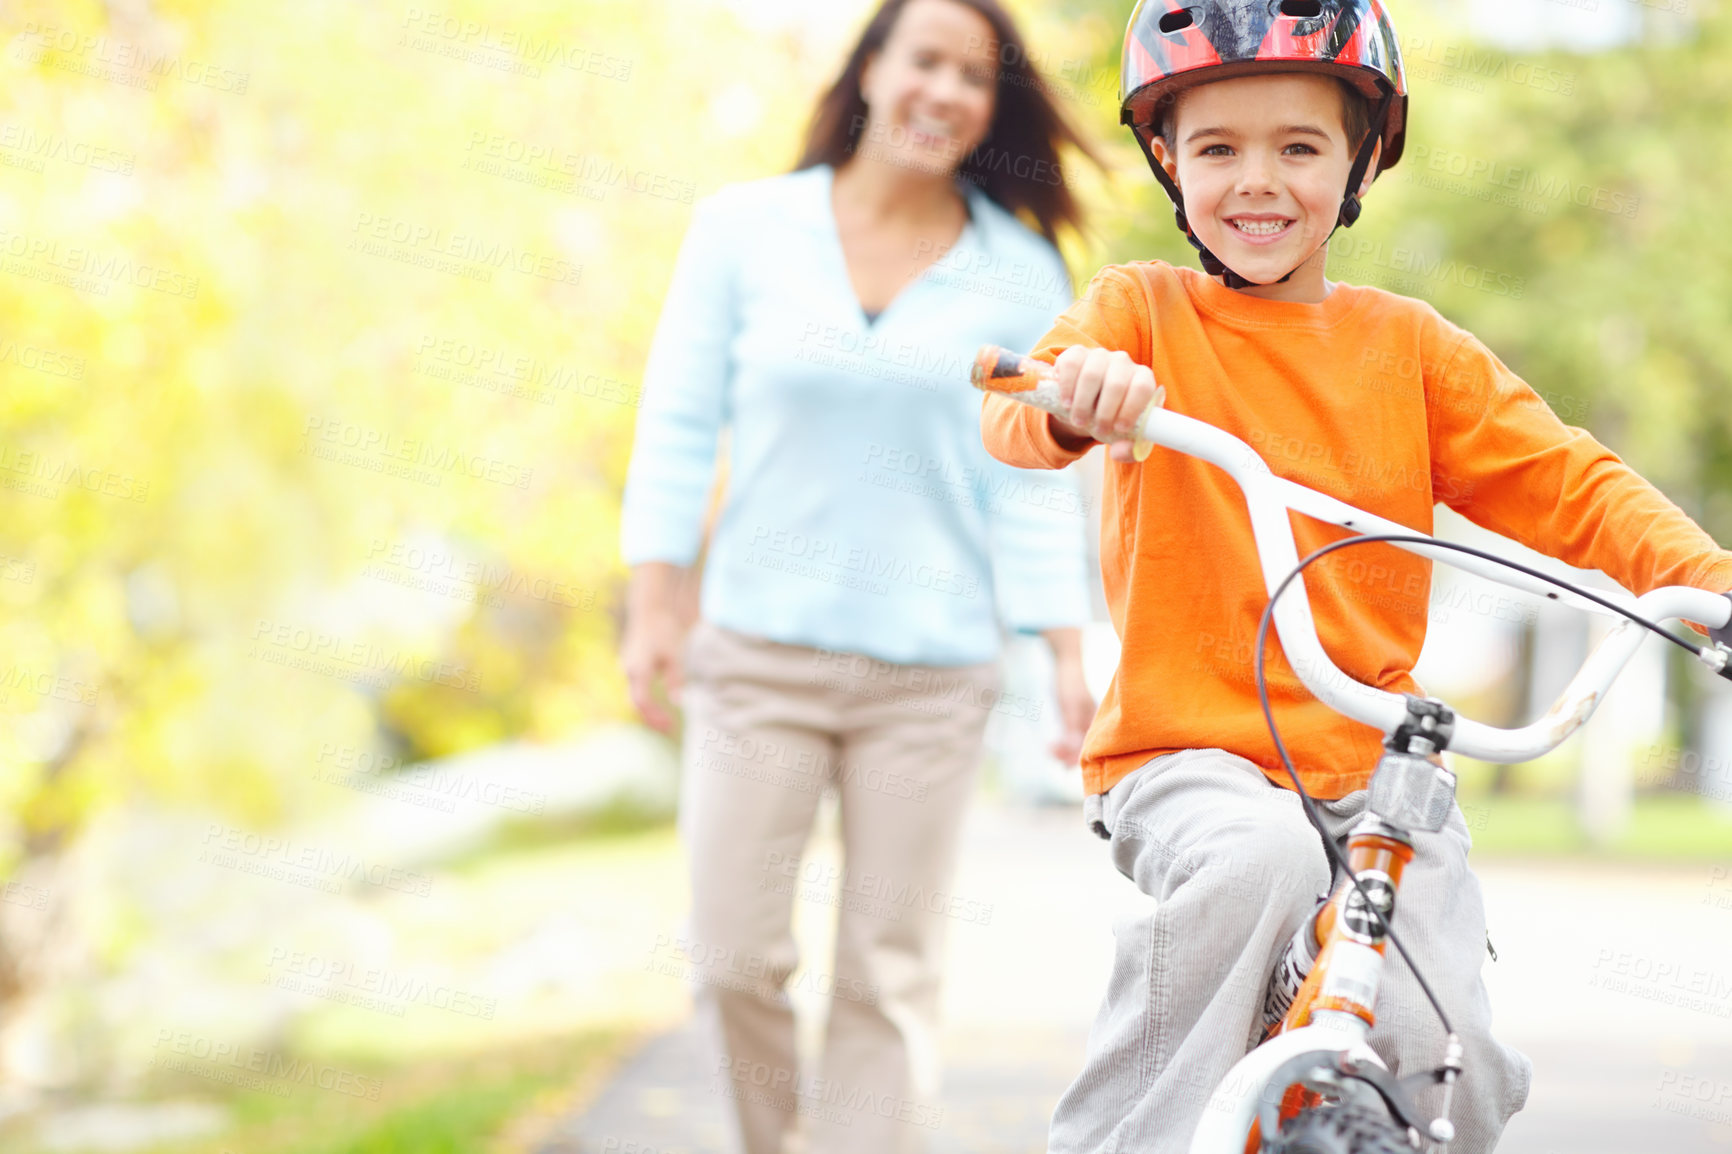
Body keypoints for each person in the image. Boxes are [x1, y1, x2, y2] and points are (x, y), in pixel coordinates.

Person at [980, 2, 1732, 1152]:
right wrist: (1081, 394)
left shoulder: (1410, 349)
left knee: (1458, 1059)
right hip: (1188, 758)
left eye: (1299, 145)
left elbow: (1570, 483)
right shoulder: (1142, 314)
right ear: (1167, 162)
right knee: (1258, 856)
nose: (1256, 181)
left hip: (1376, 768)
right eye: (1217, 147)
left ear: (1362, 157)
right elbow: (1017, 411)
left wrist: (1707, 579)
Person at [619, 2, 1100, 1152]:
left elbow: (1026, 479)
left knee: (888, 975)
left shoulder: (1017, 267)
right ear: (872, 70)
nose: (945, 93)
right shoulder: (743, 230)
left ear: (992, 108)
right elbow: (680, 421)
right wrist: (654, 599)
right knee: (734, 953)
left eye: (974, 78)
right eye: (924, 61)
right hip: (757, 655)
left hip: (929, 678)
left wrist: (1068, 647)